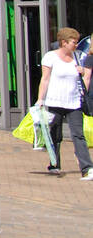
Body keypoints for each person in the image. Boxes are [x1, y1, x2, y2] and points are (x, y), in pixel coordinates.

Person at [36, 27, 92, 178]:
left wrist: (82, 72)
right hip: (55, 101)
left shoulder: (79, 57)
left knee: (78, 135)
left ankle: (87, 168)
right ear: (63, 42)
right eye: (73, 42)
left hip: (74, 102)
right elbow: (45, 79)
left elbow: (86, 79)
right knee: (55, 135)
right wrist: (40, 99)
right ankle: (54, 164)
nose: (75, 45)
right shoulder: (50, 57)